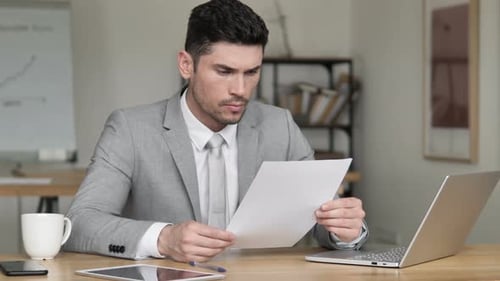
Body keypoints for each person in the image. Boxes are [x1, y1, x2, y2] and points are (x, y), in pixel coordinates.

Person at [64, 0, 368, 262]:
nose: (240, 90)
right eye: (224, 72)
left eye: (252, 72)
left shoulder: (280, 126)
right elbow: (79, 223)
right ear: (186, 65)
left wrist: (343, 230)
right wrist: (164, 239)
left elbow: (320, 220)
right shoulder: (130, 129)